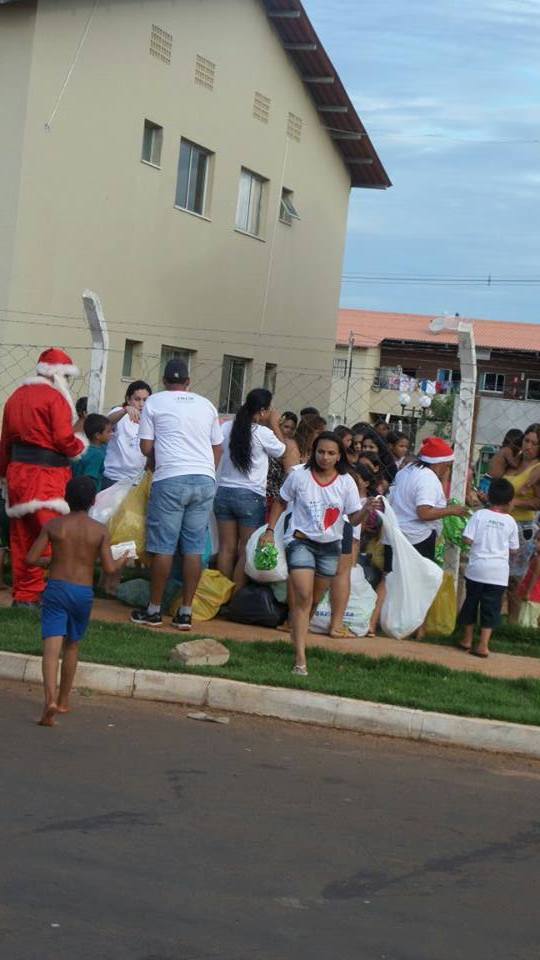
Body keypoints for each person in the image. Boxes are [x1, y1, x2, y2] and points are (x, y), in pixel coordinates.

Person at [25, 477, 129, 726]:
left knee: (51, 647)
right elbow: (108, 567)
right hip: (83, 592)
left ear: (65, 498)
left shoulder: (54, 525)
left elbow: (30, 558)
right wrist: (123, 559)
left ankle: (48, 699)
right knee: (72, 645)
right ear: (93, 501)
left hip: (57, 588)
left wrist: (48, 563)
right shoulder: (99, 530)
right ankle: (63, 701)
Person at [261, 432, 365, 675]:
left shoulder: (346, 482)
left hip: (330, 547)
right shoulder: (299, 476)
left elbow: (353, 517)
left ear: (339, 455)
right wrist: (270, 529)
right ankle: (300, 659)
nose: (325, 457)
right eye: (321, 452)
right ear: (313, 452)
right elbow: (281, 501)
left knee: (313, 601)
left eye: (331, 453)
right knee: (303, 596)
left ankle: (297, 630)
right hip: (300, 542)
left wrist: (367, 509)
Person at [131, 359, 223, 630]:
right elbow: (217, 447)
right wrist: (205, 471)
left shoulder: (155, 403)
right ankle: (185, 612)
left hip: (170, 478)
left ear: (163, 380)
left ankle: (154, 610)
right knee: (193, 547)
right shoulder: (206, 404)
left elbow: (146, 447)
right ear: (188, 381)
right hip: (204, 478)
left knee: (163, 547)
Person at [0, 348, 87, 608]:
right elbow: (63, 438)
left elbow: (5, 441)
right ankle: (52, 595)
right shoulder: (55, 399)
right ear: (59, 375)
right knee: (52, 536)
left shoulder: (15, 397)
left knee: (22, 537)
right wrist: (80, 446)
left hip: (18, 475)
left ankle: (25, 595)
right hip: (47, 476)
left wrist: (4, 472)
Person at [387, 437, 467, 638]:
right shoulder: (429, 479)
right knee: (421, 582)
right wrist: (452, 510)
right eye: (447, 466)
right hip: (417, 537)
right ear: (439, 463)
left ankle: (381, 623)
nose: (446, 470)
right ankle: (417, 629)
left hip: (394, 534)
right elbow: (424, 512)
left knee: (390, 579)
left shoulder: (407, 471)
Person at [214, 388, 286, 589]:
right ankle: (236, 597)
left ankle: (221, 596)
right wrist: (274, 424)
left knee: (226, 548)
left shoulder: (227, 427)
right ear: (263, 411)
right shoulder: (263, 433)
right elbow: (283, 450)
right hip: (250, 496)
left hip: (224, 492)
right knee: (245, 548)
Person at [457, 479, 519, 658]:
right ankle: (483, 644)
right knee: (491, 607)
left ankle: (467, 639)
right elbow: (514, 549)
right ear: (509, 501)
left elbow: (467, 539)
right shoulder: (510, 521)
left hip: (477, 569)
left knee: (471, 603)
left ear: (489, 496)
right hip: (498, 573)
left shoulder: (479, 515)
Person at [503, 423, 540, 622]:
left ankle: (512, 623)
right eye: (526, 440)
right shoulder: (513, 462)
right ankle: (491, 622)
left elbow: (538, 502)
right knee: (497, 576)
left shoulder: (537, 469)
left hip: (521, 527)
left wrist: (516, 501)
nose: (529, 446)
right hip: (501, 522)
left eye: (535, 443)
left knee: (514, 580)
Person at [102, 380, 153, 488]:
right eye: (137, 399)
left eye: (145, 400)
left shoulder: (150, 419)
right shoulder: (120, 413)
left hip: (137, 480)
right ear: (128, 400)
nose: (141, 404)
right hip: (114, 478)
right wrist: (124, 410)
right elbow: (106, 422)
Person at [72, 414, 112, 491]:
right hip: (87, 495)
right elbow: (89, 481)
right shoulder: (97, 455)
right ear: (97, 436)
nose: (111, 434)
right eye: (108, 432)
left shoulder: (82, 448)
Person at [266, 411, 297, 504]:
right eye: (286, 427)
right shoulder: (270, 441)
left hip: (280, 493)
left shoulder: (292, 445)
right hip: (267, 491)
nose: (289, 431)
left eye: (292, 428)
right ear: (279, 426)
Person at [517, 530, 540, 628]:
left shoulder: (538, 559)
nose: (535, 542)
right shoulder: (536, 556)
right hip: (535, 594)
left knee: (526, 621)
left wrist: (528, 592)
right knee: (531, 619)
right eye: (535, 539)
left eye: (539, 540)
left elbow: (535, 576)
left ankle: (526, 639)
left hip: (533, 594)